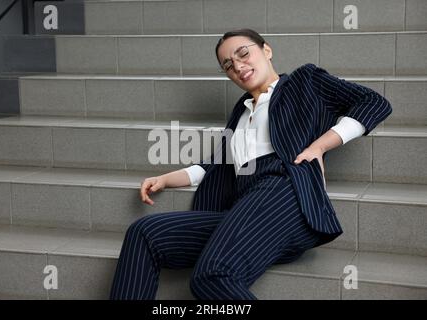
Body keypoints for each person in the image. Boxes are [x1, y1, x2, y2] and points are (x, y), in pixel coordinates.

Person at [110, 29, 392, 300]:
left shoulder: (304, 81)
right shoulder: (241, 111)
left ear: (266, 50)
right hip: (245, 207)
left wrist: (319, 146)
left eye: (243, 53)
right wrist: (166, 179)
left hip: (283, 194)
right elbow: (218, 164)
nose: (238, 66)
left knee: (211, 275)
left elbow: (374, 102)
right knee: (144, 233)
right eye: (228, 64)